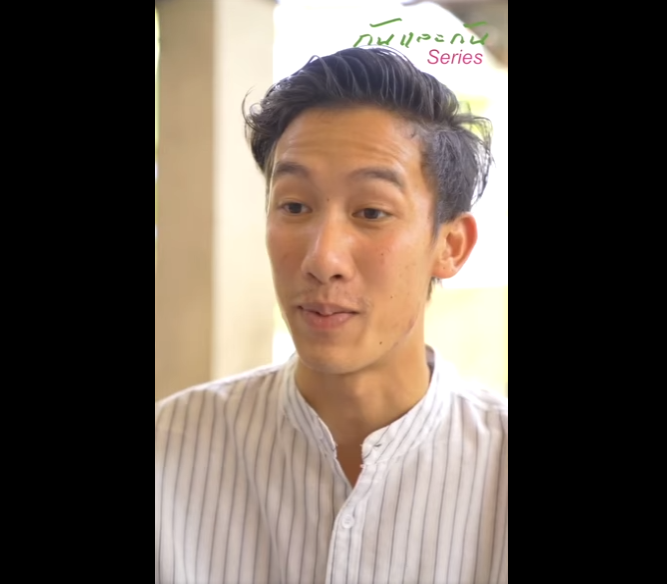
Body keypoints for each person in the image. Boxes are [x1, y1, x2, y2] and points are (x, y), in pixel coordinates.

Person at [155, 47, 507, 584]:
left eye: (371, 211)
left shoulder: (496, 469)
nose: (322, 259)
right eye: (295, 206)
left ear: (450, 245)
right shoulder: (168, 450)